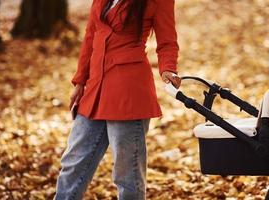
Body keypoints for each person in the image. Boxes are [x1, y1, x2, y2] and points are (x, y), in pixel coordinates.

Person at [53, 0, 181, 199]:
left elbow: (167, 41)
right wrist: (80, 80)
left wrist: (168, 69)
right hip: (95, 88)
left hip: (128, 91)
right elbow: (91, 36)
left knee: (127, 174)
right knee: (73, 162)